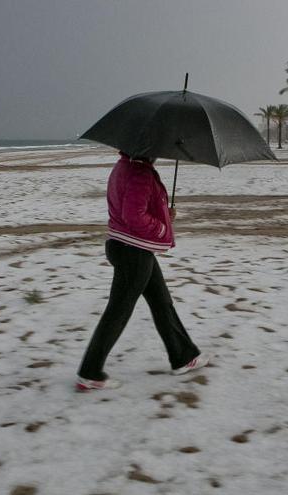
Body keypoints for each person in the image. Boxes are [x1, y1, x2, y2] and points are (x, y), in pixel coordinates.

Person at [76, 152, 209, 391]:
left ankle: (183, 357)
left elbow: (133, 207)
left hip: (127, 246)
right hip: (133, 251)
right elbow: (133, 215)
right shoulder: (140, 173)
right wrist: (161, 228)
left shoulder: (123, 166)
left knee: (161, 302)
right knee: (118, 311)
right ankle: (90, 372)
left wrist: (165, 216)